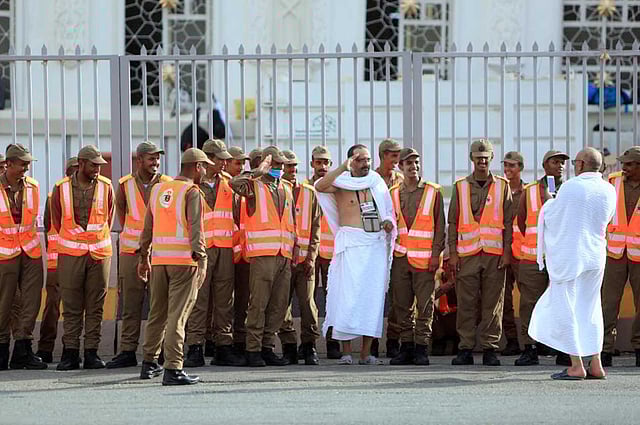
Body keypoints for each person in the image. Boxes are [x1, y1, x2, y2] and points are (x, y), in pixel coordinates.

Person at [529, 147, 616, 380]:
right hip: (596, 256)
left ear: (580, 164)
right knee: (591, 308)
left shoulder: (570, 187)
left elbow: (553, 216)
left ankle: (576, 365)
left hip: (571, 258)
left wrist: (549, 202)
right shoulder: (609, 189)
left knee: (565, 306)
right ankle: (596, 364)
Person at [315, 144, 396, 365]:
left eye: (367, 159)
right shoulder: (341, 182)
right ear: (351, 161)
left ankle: (366, 354)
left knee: (372, 299)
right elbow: (320, 186)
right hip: (351, 245)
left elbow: (388, 211)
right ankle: (346, 353)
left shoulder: (376, 182)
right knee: (348, 298)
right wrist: (343, 167)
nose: (365, 164)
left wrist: (389, 222)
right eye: (360, 160)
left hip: (374, 245)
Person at [137, 148, 211, 386]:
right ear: (197, 167)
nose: (206, 171)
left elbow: (147, 228)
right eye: (204, 166)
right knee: (178, 316)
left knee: (157, 314)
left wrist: (144, 258)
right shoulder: (192, 192)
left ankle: (149, 363)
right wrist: (201, 259)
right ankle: (173, 367)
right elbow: (196, 228)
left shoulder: (158, 189)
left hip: (159, 261)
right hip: (184, 262)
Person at [448, 139, 512, 367]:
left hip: (495, 254)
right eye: (478, 158)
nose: (482, 161)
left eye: (485, 158)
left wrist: (507, 252)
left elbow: (508, 222)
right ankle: (465, 348)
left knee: (493, 304)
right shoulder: (460, 186)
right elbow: (453, 221)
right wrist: (453, 253)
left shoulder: (502, 186)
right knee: (466, 303)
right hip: (467, 255)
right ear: (472, 159)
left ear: (491, 158)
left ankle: (490, 349)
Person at [106, 142, 171, 369]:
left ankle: (158, 351)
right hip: (131, 252)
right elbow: (121, 215)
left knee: (159, 304)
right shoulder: (124, 185)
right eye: (151, 158)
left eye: (157, 159)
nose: (156, 163)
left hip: (159, 252)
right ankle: (127, 350)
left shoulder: (167, 184)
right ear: (140, 160)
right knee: (131, 304)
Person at [51, 145, 115, 371]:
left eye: (100, 165)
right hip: (70, 254)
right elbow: (57, 220)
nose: (98, 169)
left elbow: (108, 217)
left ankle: (91, 353)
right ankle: (70, 353)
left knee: (96, 305)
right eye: (93, 165)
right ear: (81, 163)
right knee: (71, 306)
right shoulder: (61, 188)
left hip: (99, 253)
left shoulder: (107, 187)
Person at [230, 145, 295, 367]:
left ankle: (267, 347)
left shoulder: (286, 187)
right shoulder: (254, 186)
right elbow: (234, 183)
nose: (280, 168)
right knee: (258, 304)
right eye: (275, 164)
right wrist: (258, 170)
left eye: (281, 164)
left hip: (284, 254)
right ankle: (253, 349)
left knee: (279, 305)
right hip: (262, 255)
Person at [184, 139, 246, 367]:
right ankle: (195, 347)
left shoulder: (229, 183)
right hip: (200, 250)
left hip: (224, 248)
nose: (224, 163)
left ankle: (223, 347)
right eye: (220, 159)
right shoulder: (191, 185)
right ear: (208, 159)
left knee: (224, 300)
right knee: (199, 300)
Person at [388, 148, 445, 366]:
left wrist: (436, 255)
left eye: (416, 163)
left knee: (425, 305)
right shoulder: (393, 193)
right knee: (402, 305)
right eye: (409, 163)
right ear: (400, 167)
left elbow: (440, 227)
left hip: (425, 259)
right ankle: (407, 347)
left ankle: (422, 347)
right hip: (401, 258)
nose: (414, 167)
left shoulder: (432, 191)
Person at [514, 150, 572, 367]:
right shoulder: (529, 191)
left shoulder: (570, 189)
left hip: (561, 258)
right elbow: (521, 222)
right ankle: (529, 348)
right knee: (529, 304)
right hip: (532, 257)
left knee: (562, 303)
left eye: (563, 163)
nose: (560, 166)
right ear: (545, 165)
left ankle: (563, 350)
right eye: (555, 162)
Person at [0, 144, 46, 370]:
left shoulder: (33, 187)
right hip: (4, 254)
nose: (26, 168)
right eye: (22, 164)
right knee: (4, 303)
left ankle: (23, 349)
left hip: (30, 251)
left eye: (28, 164)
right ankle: (1, 349)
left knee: (31, 301)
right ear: (8, 164)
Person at [277, 150, 321, 365]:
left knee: (307, 304)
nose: (292, 170)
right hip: (283, 260)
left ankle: (309, 346)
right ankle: (289, 346)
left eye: (294, 165)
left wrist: (311, 257)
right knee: (281, 305)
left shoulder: (309, 192)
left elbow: (316, 228)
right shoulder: (275, 192)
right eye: (288, 166)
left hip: (304, 261)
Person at [35, 157, 79, 364]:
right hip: (57, 261)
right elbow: (48, 228)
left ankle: (72, 348)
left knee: (75, 307)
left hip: (79, 259)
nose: (75, 175)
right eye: (72, 171)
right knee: (52, 307)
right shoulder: (54, 195)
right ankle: (45, 349)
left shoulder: (92, 193)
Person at [601, 146, 640, 368]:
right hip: (614, 252)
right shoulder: (612, 182)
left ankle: (639, 347)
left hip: (638, 254)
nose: (624, 167)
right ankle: (605, 349)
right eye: (623, 163)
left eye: (629, 164)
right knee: (608, 302)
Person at [306, 145, 341, 359]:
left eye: (326, 162)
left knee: (332, 298)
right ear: (312, 163)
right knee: (308, 299)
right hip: (310, 252)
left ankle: (333, 342)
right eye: (318, 162)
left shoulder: (336, 188)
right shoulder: (304, 188)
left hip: (331, 251)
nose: (322, 166)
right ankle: (309, 344)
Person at [374, 138, 404, 358]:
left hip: (397, 246)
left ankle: (393, 339)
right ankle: (372, 339)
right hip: (374, 244)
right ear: (383, 155)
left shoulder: (401, 181)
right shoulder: (371, 180)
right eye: (393, 155)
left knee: (397, 296)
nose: (397, 160)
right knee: (374, 294)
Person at [231, 148, 259, 356]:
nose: (241, 167)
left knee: (243, 300)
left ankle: (240, 341)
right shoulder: (226, 185)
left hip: (246, 253)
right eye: (237, 163)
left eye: (243, 163)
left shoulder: (251, 187)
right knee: (222, 302)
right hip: (225, 250)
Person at [501, 151, 526, 356]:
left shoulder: (528, 192)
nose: (508, 169)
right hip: (501, 251)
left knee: (529, 298)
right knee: (504, 299)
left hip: (522, 253)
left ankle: (533, 340)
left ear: (521, 168)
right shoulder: (499, 189)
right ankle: (511, 340)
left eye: (512, 165)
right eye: (506, 165)